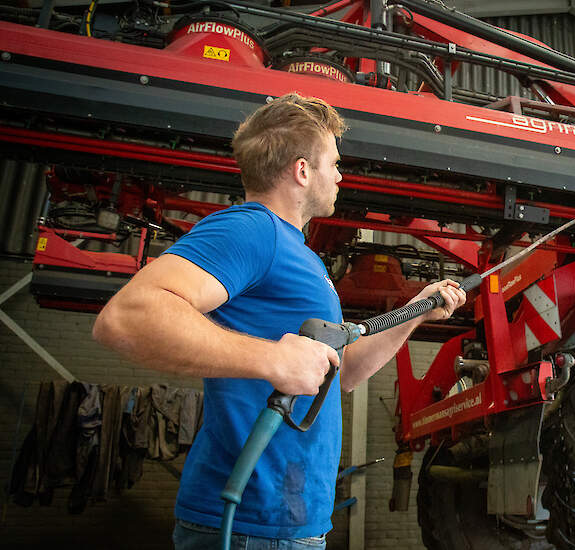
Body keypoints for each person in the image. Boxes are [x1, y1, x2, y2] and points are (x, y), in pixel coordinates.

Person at [92, 92, 466, 549]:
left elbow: (342, 372)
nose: (340, 174)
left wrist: (417, 310)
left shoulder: (304, 257)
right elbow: (127, 318)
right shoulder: (253, 229)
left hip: (291, 523)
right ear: (303, 169)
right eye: (333, 162)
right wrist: (273, 359)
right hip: (250, 523)